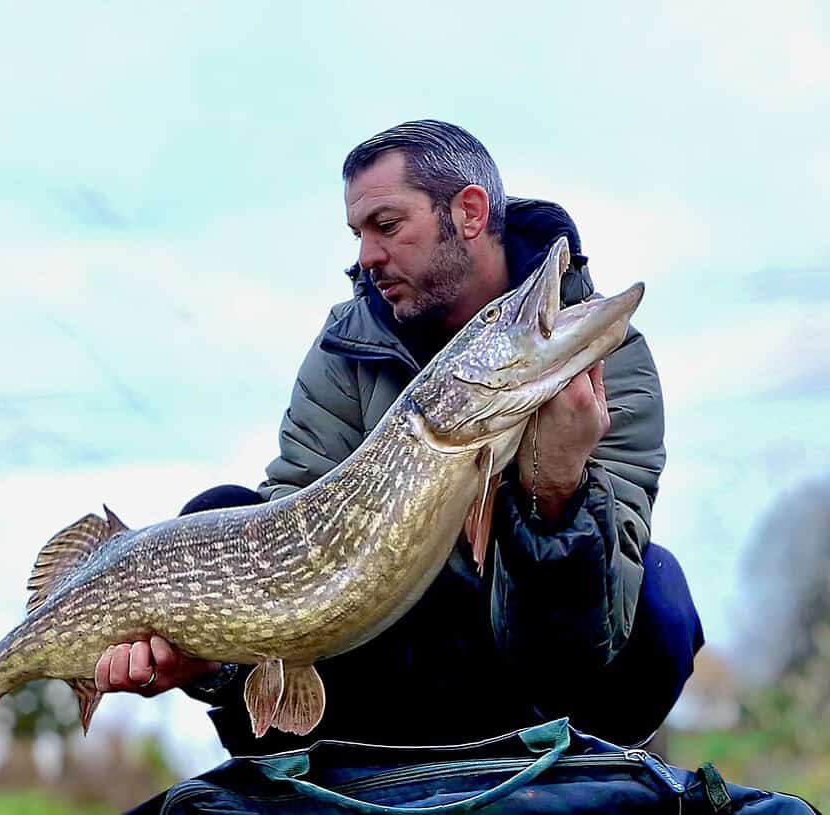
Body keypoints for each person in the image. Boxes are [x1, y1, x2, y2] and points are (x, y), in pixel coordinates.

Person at [95, 120, 704, 756]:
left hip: (537, 685)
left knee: (660, 595)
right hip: (383, 664)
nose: (365, 256)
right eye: (359, 234)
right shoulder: (344, 350)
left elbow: (589, 637)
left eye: (386, 226)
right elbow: (288, 526)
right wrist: (207, 663)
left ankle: (573, 774)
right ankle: (341, 770)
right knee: (218, 517)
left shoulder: (612, 361)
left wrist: (557, 495)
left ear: (468, 213)